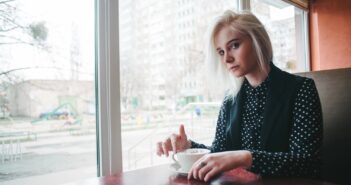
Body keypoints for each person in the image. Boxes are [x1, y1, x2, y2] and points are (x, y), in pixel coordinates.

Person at [156, 10, 322, 182]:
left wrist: (245, 157)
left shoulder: (301, 89)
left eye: (234, 45)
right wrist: (188, 147)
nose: (227, 58)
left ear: (258, 41)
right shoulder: (231, 98)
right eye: (221, 52)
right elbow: (221, 153)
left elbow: (307, 162)